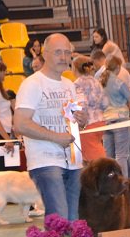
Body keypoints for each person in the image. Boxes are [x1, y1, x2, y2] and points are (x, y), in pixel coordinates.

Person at [14, 33, 85, 220]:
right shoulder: (32, 84)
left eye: (67, 53)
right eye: (58, 52)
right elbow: (20, 124)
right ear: (45, 54)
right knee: (59, 219)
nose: (63, 57)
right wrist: (55, 137)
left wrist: (81, 119)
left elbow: (74, 121)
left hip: (73, 161)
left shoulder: (69, 85)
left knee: (74, 219)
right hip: (45, 161)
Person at [99, 55, 130, 178]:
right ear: (118, 67)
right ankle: (123, 184)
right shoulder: (119, 82)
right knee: (121, 156)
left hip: (106, 121)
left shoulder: (100, 81)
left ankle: (109, 183)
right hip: (120, 119)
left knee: (108, 157)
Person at [71, 56, 107, 163]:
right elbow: (105, 103)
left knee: (92, 157)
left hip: (87, 124)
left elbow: (81, 105)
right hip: (100, 121)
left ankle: (103, 174)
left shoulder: (78, 83)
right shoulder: (96, 81)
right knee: (96, 149)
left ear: (74, 68)